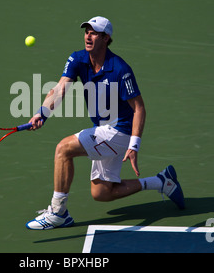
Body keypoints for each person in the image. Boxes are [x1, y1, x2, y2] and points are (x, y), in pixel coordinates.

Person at [25, 16, 184, 230]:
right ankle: (161, 182)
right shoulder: (77, 59)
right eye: (86, 31)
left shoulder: (120, 69)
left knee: (63, 149)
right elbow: (60, 88)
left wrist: (134, 145)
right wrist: (41, 113)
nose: (88, 36)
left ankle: (58, 212)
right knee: (102, 193)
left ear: (106, 38)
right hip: (104, 130)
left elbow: (139, 108)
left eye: (94, 32)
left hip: (121, 131)